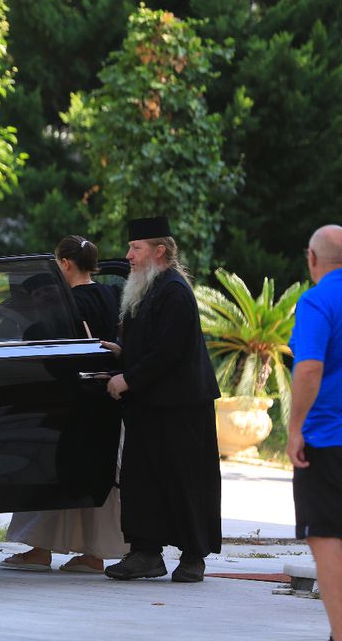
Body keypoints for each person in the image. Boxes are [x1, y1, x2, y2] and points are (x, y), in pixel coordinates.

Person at [103, 216, 221, 582]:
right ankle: (146, 554)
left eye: (135, 248)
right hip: (150, 405)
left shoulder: (174, 291)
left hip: (181, 407)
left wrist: (128, 379)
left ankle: (192, 557)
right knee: (143, 481)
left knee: (185, 482)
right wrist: (123, 354)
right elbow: (150, 345)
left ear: (159, 251)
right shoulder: (149, 287)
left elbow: (168, 352)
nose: (129, 256)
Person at [2, 235, 128, 574]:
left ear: (66, 264)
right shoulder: (112, 293)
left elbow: (41, 340)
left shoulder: (69, 301)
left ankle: (41, 549)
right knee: (97, 477)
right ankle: (92, 554)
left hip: (72, 401)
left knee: (51, 471)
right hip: (107, 400)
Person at [288, 224, 342, 641]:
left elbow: (308, 368)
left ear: (312, 258)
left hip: (326, 440)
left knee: (327, 539)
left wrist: (293, 427)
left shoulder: (317, 300)